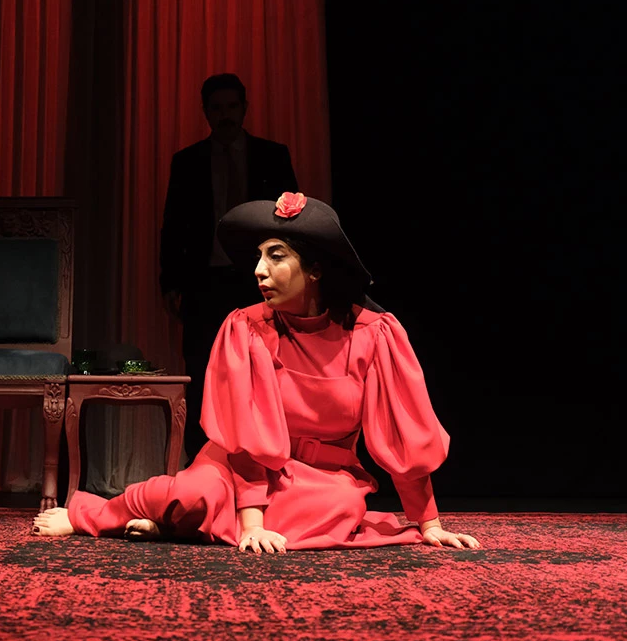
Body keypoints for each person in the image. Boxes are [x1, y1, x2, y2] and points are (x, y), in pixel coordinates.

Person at [33, 192, 480, 553]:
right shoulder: (247, 328)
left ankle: (184, 526)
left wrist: (429, 523)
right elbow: (247, 439)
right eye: (259, 257)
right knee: (194, 494)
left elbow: (403, 435)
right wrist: (252, 524)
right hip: (237, 466)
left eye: (276, 257)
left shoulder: (373, 333)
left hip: (322, 478)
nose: (259, 271)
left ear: (315, 270)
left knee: (341, 505)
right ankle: (92, 514)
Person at [159, 72, 299, 465]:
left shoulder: (273, 156)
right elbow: (173, 225)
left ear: (244, 108)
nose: (225, 115)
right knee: (202, 371)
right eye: (217, 108)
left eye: (232, 107)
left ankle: (267, 461)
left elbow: (291, 223)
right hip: (204, 282)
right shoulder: (187, 162)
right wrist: (170, 281)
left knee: (266, 371)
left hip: (261, 282)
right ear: (206, 112)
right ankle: (201, 464)